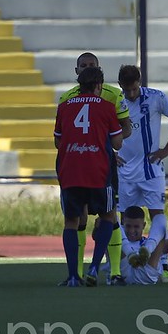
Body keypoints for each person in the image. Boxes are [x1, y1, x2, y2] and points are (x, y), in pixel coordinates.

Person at [58, 52, 131, 285]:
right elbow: (118, 141)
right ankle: (94, 267)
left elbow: (58, 142)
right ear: (99, 84)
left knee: (72, 221)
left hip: (70, 170)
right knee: (108, 215)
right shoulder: (107, 106)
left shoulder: (65, 104)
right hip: (99, 170)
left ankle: (72, 276)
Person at [116, 64, 168, 283]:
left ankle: (161, 265)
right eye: (127, 90)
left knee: (157, 214)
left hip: (151, 168)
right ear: (121, 86)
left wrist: (167, 149)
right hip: (125, 170)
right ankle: (123, 266)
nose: (131, 94)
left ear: (140, 82)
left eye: (134, 89)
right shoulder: (115, 101)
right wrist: (109, 152)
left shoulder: (156, 97)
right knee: (124, 218)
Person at [119, 206, 168, 286]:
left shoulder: (147, 241)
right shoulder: (118, 238)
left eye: (136, 227)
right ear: (123, 223)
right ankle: (130, 253)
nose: (132, 230)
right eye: (128, 226)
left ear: (144, 225)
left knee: (160, 217)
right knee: (112, 220)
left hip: (146, 273)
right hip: (122, 272)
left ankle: (147, 250)